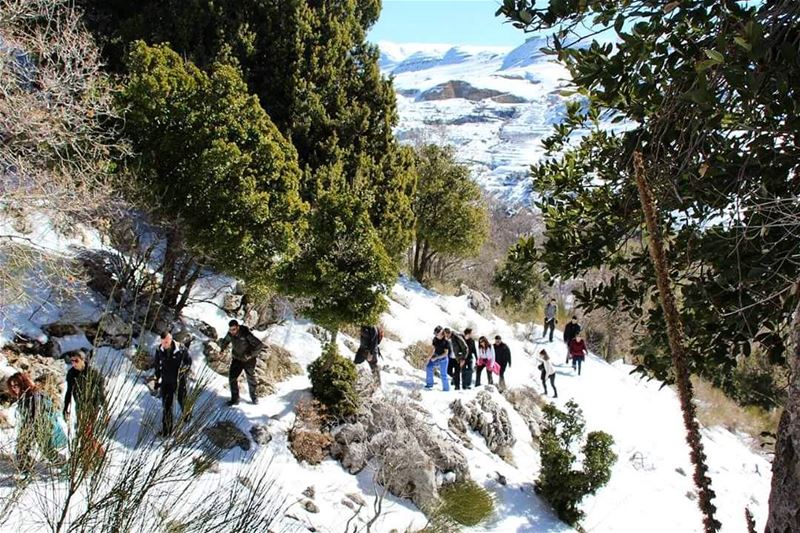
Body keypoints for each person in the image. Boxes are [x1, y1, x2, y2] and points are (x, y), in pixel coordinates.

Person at [7, 372, 67, 475]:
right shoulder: (25, 395)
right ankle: (25, 470)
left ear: (23, 383)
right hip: (32, 427)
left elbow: (38, 413)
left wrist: (30, 430)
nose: (14, 389)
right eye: (11, 386)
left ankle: (65, 466)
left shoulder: (34, 395)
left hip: (40, 427)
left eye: (16, 385)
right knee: (22, 450)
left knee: (46, 451)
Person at [63, 350, 107, 465]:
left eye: (76, 361)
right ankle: (94, 455)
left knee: (86, 432)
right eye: (71, 361)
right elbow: (69, 391)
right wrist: (65, 407)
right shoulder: (71, 373)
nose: (74, 364)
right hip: (80, 406)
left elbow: (101, 392)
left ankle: (98, 454)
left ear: (83, 360)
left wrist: (105, 409)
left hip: (92, 406)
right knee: (83, 432)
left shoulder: (93, 373)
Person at [154, 331, 192, 436]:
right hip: (166, 381)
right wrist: (157, 379)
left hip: (179, 380)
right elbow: (157, 365)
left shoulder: (181, 349)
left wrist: (184, 369)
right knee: (167, 406)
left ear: (171, 340)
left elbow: (188, 361)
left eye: (166, 342)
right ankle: (167, 431)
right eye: (162, 342)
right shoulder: (159, 350)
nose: (164, 345)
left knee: (182, 399)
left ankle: (187, 416)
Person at [218, 319, 264, 406]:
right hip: (237, 359)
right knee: (232, 377)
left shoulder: (246, 334)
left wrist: (250, 354)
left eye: (234, 329)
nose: (232, 331)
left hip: (249, 360)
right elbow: (226, 341)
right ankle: (235, 399)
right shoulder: (230, 334)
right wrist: (222, 349)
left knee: (250, 378)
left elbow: (259, 345)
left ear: (238, 327)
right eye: (230, 329)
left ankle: (254, 397)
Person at [425, 326, 450, 391]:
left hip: (443, 359)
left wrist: (436, 357)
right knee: (429, 367)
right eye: (435, 334)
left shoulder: (446, 341)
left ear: (441, 332)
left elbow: (446, 353)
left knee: (443, 374)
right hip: (435, 357)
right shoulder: (435, 339)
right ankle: (429, 384)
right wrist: (428, 358)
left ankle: (446, 389)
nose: (436, 335)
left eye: (437, 333)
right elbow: (433, 349)